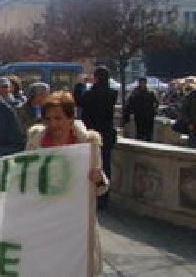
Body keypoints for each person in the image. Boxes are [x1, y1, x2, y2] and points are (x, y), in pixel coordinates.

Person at [26, 91, 108, 276]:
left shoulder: (88, 143)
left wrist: (99, 179)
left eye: (58, 118)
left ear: (71, 119)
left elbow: (99, 188)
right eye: (48, 119)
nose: (53, 124)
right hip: (44, 221)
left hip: (75, 222)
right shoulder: (35, 142)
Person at [80, 66, 118, 210]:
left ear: (95, 78)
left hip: (91, 134)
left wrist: (81, 84)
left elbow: (80, 102)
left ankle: (92, 196)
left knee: (91, 166)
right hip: (107, 134)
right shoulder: (112, 94)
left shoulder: (90, 94)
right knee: (106, 166)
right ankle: (104, 198)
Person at [123, 77, 159, 141]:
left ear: (145, 83)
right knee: (140, 131)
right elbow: (129, 102)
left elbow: (156, 103)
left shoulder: (150, 92)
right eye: (141, 82)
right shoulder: (135, 92)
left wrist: (154, 110)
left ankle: (147, 141)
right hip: (139, 114)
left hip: (148, 115)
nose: (142, 84)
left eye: (143, 82)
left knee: (147, 132)